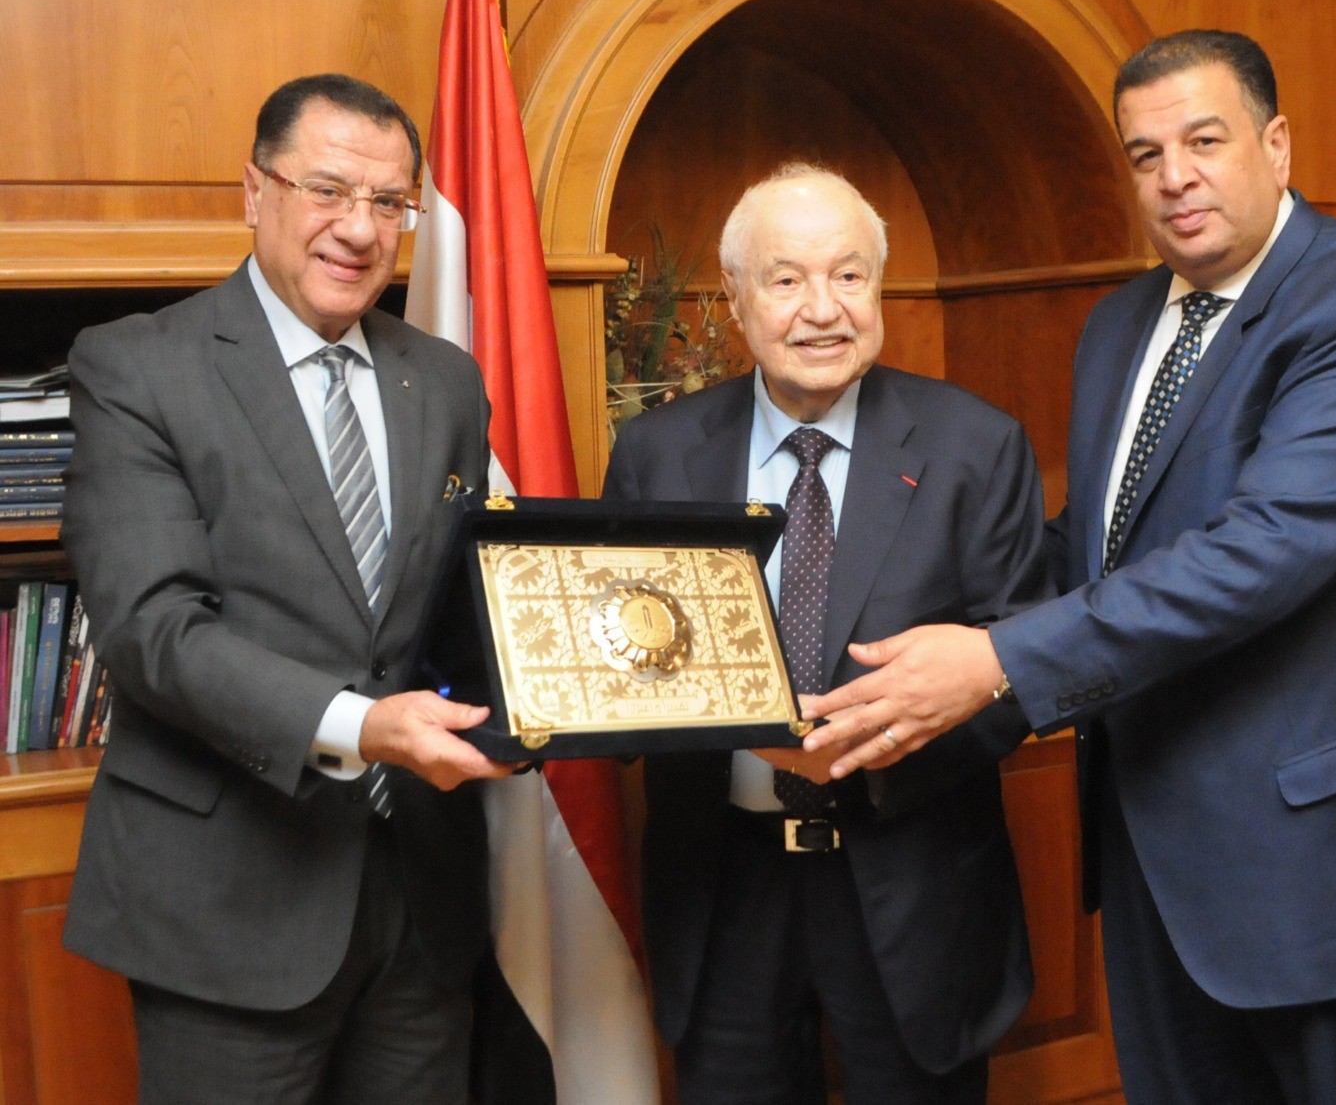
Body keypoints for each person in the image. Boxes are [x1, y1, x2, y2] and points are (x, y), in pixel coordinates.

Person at [802, 32, 1336, 1103]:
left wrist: (995, 661)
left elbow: (1260, 551)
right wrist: (888, 660)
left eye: (1204, 141)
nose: (1174, 176)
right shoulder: (1119, 324)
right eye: (1145, 155)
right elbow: (1096, 549)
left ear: (1276, 146)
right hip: (1165, 866)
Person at [61, 74, 518, 1104]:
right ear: (255, 190)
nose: (359, 229)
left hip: (421, 898)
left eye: (389, 202)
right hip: (228, 899)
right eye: (327, 190)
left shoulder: (445, 379)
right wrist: (364, 726)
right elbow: (153, 630)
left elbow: (468, 600)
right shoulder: (138, 368)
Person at [602, 162, 1048, 1104]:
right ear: (734, 299)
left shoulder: (976, 447)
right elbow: (620, 660)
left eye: (849, 275)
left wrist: (872, 743)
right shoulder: (658, 452)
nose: (823, 308)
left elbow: (1021, 674)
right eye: (787, 278)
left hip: (914, 888)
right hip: (724, 890)